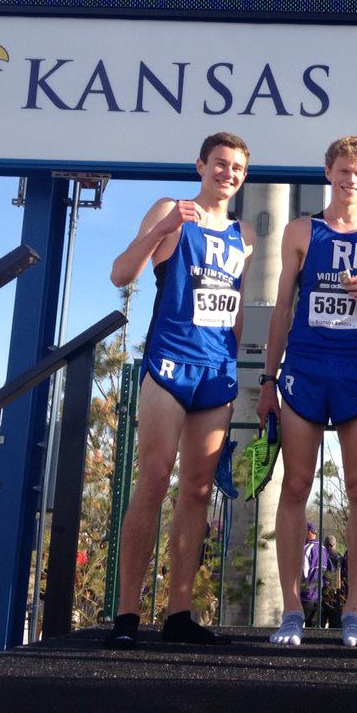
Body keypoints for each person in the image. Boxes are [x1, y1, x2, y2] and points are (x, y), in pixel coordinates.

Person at [105, 132, 255, 649]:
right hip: (169, 363)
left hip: (217, 370)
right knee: (152, 479)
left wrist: (251, 370)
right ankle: (126, 613)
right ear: (201, 165)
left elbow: (232, 307)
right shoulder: (173, 207)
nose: (228, 173)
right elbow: (120, 274)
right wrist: (164, 229)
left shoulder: (244, 234)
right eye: (220, 163)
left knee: (196, 490)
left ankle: (179, 613)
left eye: (237, 167)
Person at [258, 136, 357, 648]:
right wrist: (268, 379)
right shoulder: (302, 230)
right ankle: (292, 610)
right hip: (304, 370)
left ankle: (354, 614)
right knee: (295, 487)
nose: (352, 180)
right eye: (344, 171)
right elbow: (281, 309)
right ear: (328, 172)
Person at [321, 535, 344, 628]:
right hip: (336, 594)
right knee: (335, 626)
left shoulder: (321, 555)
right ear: (335, 545)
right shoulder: (339, 557)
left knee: (318, 625)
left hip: (321, 593)